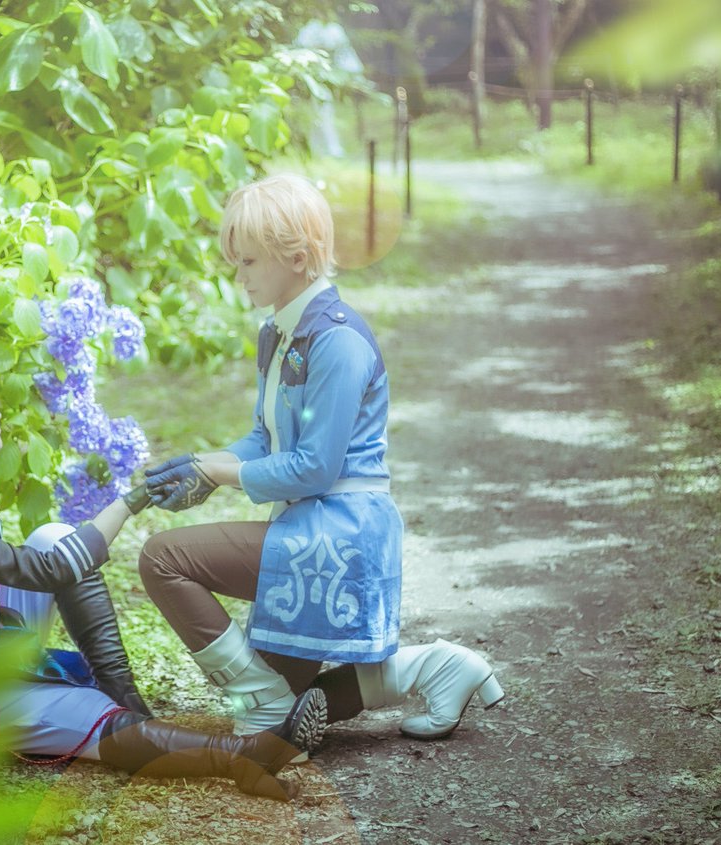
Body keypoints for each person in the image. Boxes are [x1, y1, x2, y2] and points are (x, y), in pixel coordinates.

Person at [140, 174, 504, 743]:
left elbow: (315, 467)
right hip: (310, 527)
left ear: (297, 256)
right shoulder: (280, 332)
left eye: (249, 261)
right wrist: (201, 465)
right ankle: (436, 667)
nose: (239, 276)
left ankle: (268, 698)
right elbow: (265, 439)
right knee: (284, 712)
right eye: (236, 262)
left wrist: (217, 472)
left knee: (163, 559)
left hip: (340, 533)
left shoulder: (337, 341)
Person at [0, 355, 325, 800]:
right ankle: (243, 756)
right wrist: (132, 500)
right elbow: (52, 571)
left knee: (55, 537)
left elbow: (41, 562)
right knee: (96, 716)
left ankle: (123, 693)